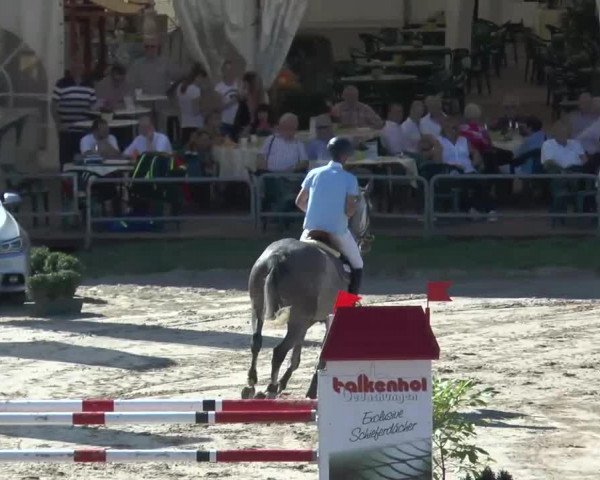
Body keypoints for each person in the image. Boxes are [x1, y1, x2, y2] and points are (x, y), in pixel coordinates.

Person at [295, 137, 363, 294]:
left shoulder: (313, 173)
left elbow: (299, 202)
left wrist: (316, 213)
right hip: (336, 232)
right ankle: (349, 305)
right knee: (358, 264)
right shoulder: (350, 179)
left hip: (310, 230)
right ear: (345, 156)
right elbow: (349, 211)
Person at [52, 58, 97, 165]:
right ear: (71, 69)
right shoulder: (61, 83)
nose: (78, 69)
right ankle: (65, 181)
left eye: (80, 67)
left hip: (84, 130)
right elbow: (54, 106)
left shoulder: (89, 84)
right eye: (75, 67)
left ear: (83, 69)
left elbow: (93, 107)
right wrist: (58, 124)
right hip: (67, 130)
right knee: (66, 161)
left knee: (83, 160)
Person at [177, 63, 208, 145]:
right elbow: (195, 111)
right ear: (198, 77)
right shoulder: (195, 90)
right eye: (203, 80)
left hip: (184, 124)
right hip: (195, 126)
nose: (203, 82)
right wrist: (206, 108)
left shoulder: (180, 87)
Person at [234, 71, 267, 140]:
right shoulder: (244, 96)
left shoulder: (262, 97)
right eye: (256, 81)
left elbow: (264, 116)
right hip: (242, 127)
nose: (258, 84)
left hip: (256, 128)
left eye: (259, 81)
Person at [215, 60, 241, 139]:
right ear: (223, 71)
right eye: (227, 70)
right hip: (224, 123)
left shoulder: (240, 84)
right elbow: (218, 109)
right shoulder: (218, 88)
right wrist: (233, 101)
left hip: (238, 123)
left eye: (232, 70)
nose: (230, 72)